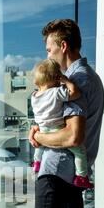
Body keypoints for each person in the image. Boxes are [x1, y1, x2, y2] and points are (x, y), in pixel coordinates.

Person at [11, 19, 104, 208]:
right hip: (74, 173)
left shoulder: (72, 82)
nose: (47, 54)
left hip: (55, 171)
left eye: (49, 47)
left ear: (63, 46)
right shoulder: (91, 77)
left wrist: (37, 138)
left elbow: (72, 136)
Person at [31, 58, 93, 189]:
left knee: (40, 146)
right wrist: (66, 81)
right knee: (80, 151)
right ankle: (81, 176)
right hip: (56, 129)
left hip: (42, 129)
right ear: (56, 78)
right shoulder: (56, 93)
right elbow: (75, 93)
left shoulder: (34, 96)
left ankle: (37, 162)